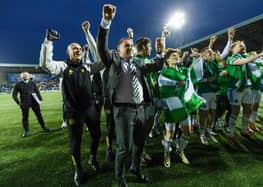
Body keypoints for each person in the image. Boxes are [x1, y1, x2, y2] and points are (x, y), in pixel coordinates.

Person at [97, 4, 164, 187]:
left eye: (131, 46)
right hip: (123, 111)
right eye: (125, 46)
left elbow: (158, 64)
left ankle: (136, 169)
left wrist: (161, 50)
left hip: (141, 109)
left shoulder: (139, 65)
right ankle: (120, 179)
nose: (129, 48)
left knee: (140, 145)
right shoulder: (113, 63)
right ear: (118, 50)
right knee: (123, 149)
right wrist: (106, 23)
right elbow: (102, 48)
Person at [40, 21, 104, 186]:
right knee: (75, 143)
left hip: (90, 109)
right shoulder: (63, 67)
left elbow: (101, 58)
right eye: (74, 48)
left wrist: (87, 34)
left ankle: (92, 158)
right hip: (73, 112)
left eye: (79, 48)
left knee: (96, 135)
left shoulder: (88, 67)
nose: (78, 50)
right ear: (68, 53)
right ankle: (78, 169)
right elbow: (45, 65)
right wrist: (48, 42)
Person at [12, 72, 50, 137]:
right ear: (21, 77)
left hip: (34, 102)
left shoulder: (32, 83)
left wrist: (40, 100)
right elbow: (14, 95)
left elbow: (37, 92)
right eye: (24, 75)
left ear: (29, 76)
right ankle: (26, 131)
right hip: (24, 103)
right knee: (25, 117)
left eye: (26, 75)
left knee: (39, 115)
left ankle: (43, 127)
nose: (25, 76)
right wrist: (19, 103)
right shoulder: (18, 84)